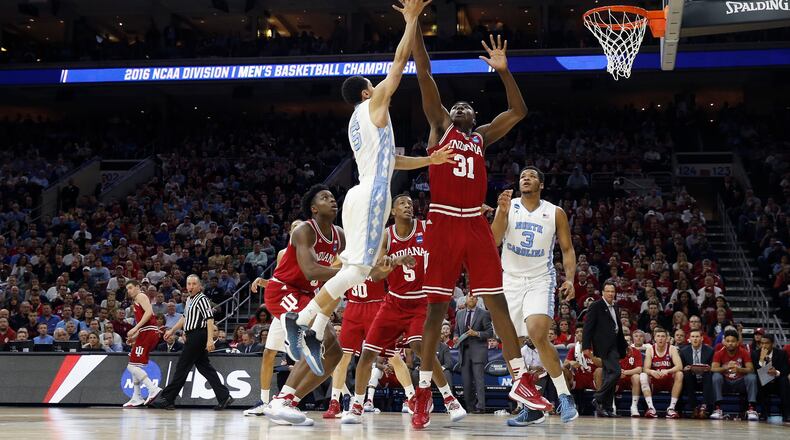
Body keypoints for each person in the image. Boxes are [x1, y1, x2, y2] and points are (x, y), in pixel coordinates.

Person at [283, 0, 452, 379]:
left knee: (358, 269)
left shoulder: (357, 123)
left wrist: (430, 162)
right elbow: (398, 65)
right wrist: (410, 21)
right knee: (359, 268)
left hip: (361, 192)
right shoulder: (373, 105)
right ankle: (303, 322)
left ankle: (310, 321)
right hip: (374, 194)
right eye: (373, 88)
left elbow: (392, 161)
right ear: (365, 93)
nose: (379, 89)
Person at [409, 26, 544, 430]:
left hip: (475, 224)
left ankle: (521, 379)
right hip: (444, 221)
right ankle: (422, 390)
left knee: (497, 300)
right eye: (458, 106)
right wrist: (414, 27)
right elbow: (424, 75)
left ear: (476, 117)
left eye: (468, 106)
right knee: (435, 309)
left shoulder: (482, 138)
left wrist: (504, 71)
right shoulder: (439, 128)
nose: (462, 107)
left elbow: (518, 112)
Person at [337, 194, 464, 424]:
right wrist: (396, 261)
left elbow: (451, 234)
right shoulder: (386, 236)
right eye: (402, 203)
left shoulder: (426, 228)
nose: (408, 206)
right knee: (367, 354)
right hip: (393, 302)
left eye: (410, 203)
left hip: (421, 301)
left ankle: (449, 399)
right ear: (392, 211)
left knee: (420, 347)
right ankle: (357, 404)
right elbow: (375, 275)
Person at [242, 187, 343, 425]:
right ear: (314, 208)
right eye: (324, 197)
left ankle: (288, 401)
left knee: (335, 352)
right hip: (283, 290)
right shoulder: (304, 230)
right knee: (317, 337)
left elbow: (341, 273)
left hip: (309, 295)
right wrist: (347, 271)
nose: (332, 200)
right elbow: (311, 270)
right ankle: (276, 400)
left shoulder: (340, 235)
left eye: (332, 196)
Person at [491, 166, 580, 425]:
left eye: (530, 176)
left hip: (540, 279)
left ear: (541, 183)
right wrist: (502, 212)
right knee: (511, 344)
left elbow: (567, 249)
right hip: (510, 280)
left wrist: (571, 279)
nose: (525, 179)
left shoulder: (555, 213)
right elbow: (495, 239)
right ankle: (529, 405)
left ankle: (564, 396)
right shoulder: (509, 206)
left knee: (537, 333)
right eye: (522, 176)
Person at [150, 275, 233, 411]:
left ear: (200, 286)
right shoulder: (189, 299)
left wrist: (210, 339)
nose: (191, 286)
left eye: (194, 284)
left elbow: (210, 320)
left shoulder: (203, 299)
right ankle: (224, 397)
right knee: (205, 368)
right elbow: (184, 318)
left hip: (198, 335)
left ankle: (168, 399)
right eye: (189, 284)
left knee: (182, 366)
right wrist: (171, 331)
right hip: (192, 335)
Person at [581, 281, 626, 417]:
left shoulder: (615, 306)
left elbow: (617, 328)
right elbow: (588, 327)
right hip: (604, 346)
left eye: (613, 291)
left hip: (615, 345)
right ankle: (598, 397)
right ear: (602, 293)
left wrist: (625, 345)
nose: (611, 294)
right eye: (608, 291)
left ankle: (606, 408)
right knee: (616, 372)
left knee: (609, 375)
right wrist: (586, 346)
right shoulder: (596, 306)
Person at [122, 279, 163, 407]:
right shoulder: (136, 301)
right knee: (135, 365)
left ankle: (153, 389)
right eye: (127, 289)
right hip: (146, 332)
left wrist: (135, 328)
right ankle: (136, 396)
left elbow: (149, 312)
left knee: (131, 366)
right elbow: (145, 323)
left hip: (149, 332)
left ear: (138, 287)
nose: (129, 291)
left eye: (130, 287)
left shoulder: (141, 295)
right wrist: (134, 338)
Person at [454, 295, 492, 414]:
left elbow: (490, 332)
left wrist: (476, 333)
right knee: (466, 382)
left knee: (479, 380)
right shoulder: (459, 314)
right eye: (470, 297)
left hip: (478, 351)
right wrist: (455, 336)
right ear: (465, 299)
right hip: (463, 351)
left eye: (474, 297)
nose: (472, 299)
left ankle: (481, 407)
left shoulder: (484, 313)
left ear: (477, 300)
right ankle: (470, 407)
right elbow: (456, 330)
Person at [710, 329, 759, 420]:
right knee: (716, 376)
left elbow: (751, 369)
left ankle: (751, 409)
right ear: (724, 342)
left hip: (739, 382)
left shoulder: (743, 352)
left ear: (737, 342)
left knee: (751, 377)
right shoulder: (719, 353)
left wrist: (739, 369)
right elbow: (713, 368)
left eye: (733, 341)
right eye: (728, 341)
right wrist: (726, 367)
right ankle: (718, 409)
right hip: (725, 383)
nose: (730, 343)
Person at [639, 327, 684, 418]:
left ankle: (671, 408)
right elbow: (645, 369)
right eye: (658, 336)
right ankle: (651, 408)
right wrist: (652, 371)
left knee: (680, 374)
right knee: (643, 375)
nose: (660, 338)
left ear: (667, 338)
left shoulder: (672, 349)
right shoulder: (650, 349)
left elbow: (679, 366)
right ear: (654, 338)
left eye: (663, 336)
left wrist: (667, 371)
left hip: (668, 379)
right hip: (655, 380)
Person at [750, 334, 788, 421]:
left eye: (766, 343)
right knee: (760, 379)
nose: (763, 346)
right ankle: (764, 413)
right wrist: (762, 359)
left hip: (777, 382)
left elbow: (786, 369)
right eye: (762, 343)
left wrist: (776, 372)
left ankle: (786, 414)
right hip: (763, 383)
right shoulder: (755, 354)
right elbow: (756, 370)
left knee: (784, 380)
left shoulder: (781, 353)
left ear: (772, 344)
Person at [679, 328, 715, 418]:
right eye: (693, 337)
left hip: (705, 380)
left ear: (702, 338)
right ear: (689, 339)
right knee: (686, 374)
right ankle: (694, 407)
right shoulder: (683, 351)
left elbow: (713, 367)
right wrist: (684, 369)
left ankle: (704, 407)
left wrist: (709, 368)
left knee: (708, 374)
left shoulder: (710, 351)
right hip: (691, 380)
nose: (695, 339)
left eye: (697, 337)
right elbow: (680, 367)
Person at [617, 334, 644, 417]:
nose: (625, 342)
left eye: (627, 340)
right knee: (611, 377)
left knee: (636, 377)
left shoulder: (636, 351)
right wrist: (618, 372)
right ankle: (611, 406)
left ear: (631, 342)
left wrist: (625, 372)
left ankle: (634, 406)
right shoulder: (615, 351)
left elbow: (639, 369)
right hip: (618, 377)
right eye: (623, 340)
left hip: (630, 378)